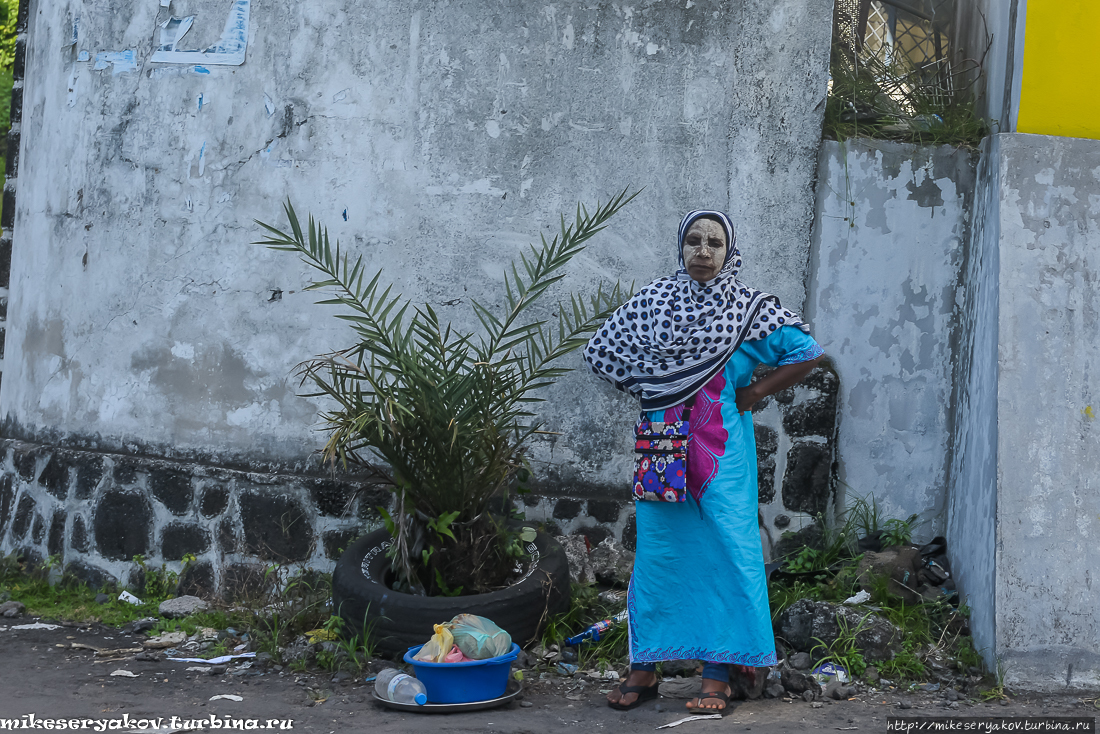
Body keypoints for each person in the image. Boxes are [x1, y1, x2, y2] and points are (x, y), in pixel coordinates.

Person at [583, 210, 825, 713]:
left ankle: (717, 673)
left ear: (728, 251)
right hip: (660, 446)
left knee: (725, 552)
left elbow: (806, 352)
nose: (703, 251)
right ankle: (644, 669)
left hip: (722, 456)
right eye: (693, 241)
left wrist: (753, 392)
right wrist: (653, 389)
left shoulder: (746, 309)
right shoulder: (653, 303)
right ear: (681, 246)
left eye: (714, 242)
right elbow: (601, 351)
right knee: (659, 557)